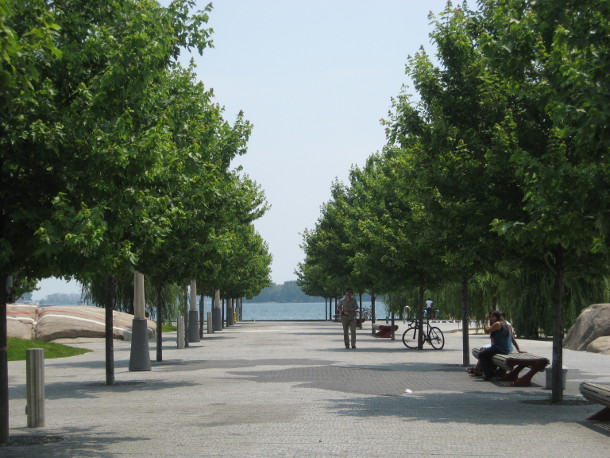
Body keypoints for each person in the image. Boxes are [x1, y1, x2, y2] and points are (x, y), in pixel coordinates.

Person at [477, 310, 512, 381]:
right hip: (506, 348)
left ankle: (488, 374)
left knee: (481, 354)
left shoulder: (498, 324)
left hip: (500, 348)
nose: (491, 318)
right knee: (487, 354)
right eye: (490, 317)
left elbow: (486, 331)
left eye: (492, 317)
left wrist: (485, 321)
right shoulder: (506, 324)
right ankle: (492, 370)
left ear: (497, 317)